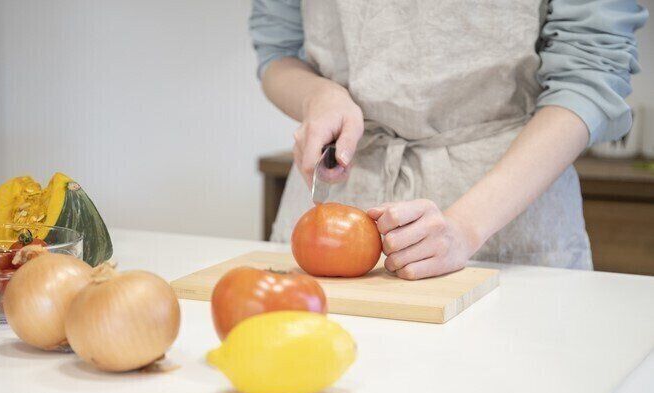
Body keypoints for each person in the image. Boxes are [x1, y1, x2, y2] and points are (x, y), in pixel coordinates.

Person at [249, 0, 648, 280]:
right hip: (346, 191)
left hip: (508, 205)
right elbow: (277, 52)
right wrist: (317, 96)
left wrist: (467, 226)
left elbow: (590, 75)